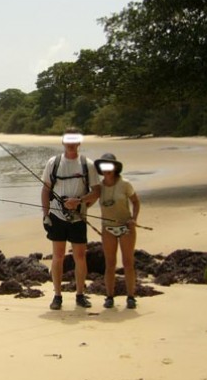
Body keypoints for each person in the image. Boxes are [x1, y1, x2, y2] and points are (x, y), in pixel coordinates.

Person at [41, 129, 100, 310]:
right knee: (57, 256)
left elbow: (96, 191)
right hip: (57, 217)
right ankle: (57, 296)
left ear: (79, 142)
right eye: (68, 140)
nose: (71, 144)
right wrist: (46, 214)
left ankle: (80, 294)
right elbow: (45, 190)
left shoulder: (87, 164)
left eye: (75, 140)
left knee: (80, 257)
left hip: (78, 218)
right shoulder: (54, 163)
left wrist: (80, 202)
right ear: (63, 142)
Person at [93, 153, 140, 310]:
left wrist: (133, 219)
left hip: (126, 227)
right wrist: (76, 203)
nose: (106, 169)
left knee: (128, 262)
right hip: (108, 228)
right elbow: (89, 199)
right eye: (103, 166)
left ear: (115, 168)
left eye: (109, 166)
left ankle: (131, 297)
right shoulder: (99, 187)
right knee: (110, 263)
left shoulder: (125, 184)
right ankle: (109, 296)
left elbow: (135, 202)